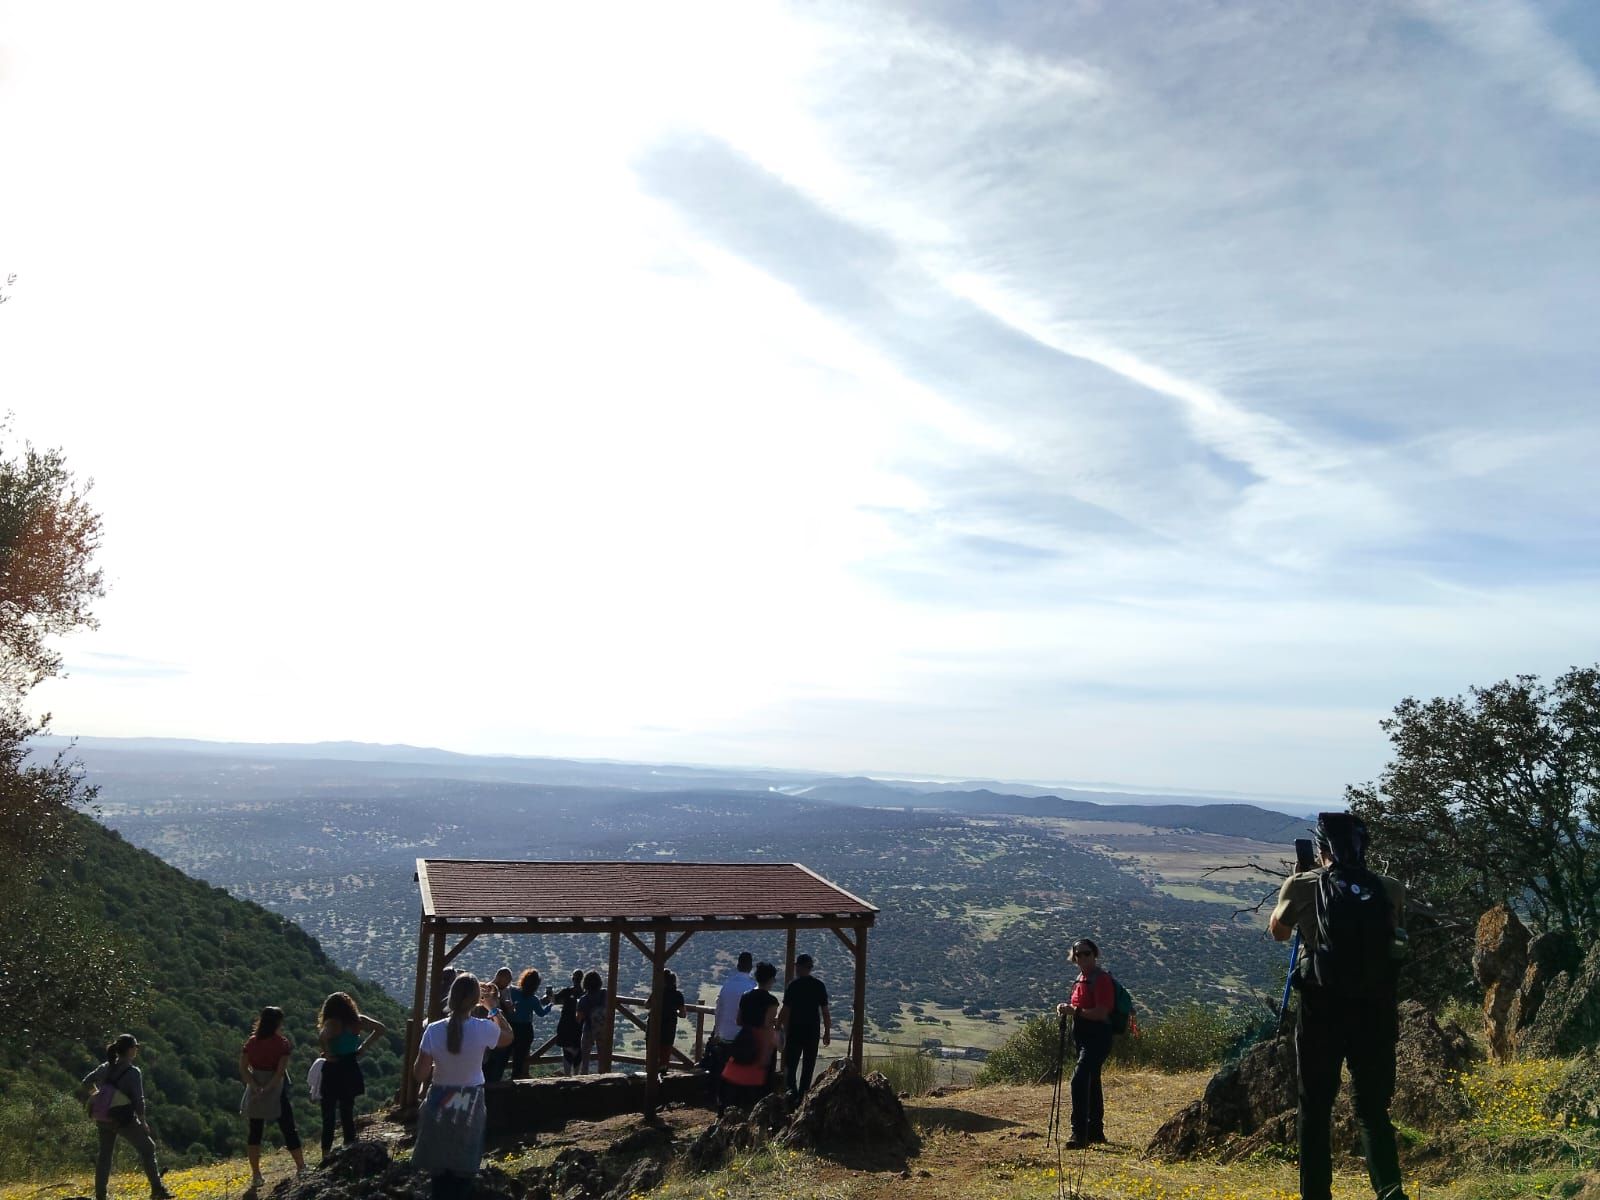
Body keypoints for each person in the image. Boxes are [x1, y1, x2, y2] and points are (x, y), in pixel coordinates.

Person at [1270, 812, 1409, 1200]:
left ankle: (1316, 1195)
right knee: (1372, 1110)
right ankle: (1390, 1191)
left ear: (1322, 849)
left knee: (1314, 1107)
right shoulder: (1390, 887)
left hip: (1321, 1010)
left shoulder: (1301, 885)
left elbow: (1279, 933)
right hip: (1375, 1010)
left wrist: (1298, 883)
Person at [412, 972, 514, 1200]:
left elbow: (419, 1074)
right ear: (476, 1000)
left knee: (439, 1168)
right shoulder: (482, 1028)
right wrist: (493, 1008)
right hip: (470, 1098)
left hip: (440, 1097)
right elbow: (508, 1037)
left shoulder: (433, 1030)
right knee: (463, 1164)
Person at [83, 1034, 173, 1200]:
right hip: (123, 1119)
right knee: (148, 1148)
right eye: (136, 1047)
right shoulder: (133, 1072)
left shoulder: (104, 1067)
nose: (137, 1050)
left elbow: (86, 1081)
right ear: (130, 1049)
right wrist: (143, 1122)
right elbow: (139, 1100)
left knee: (104, 1156)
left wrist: (98, 1096)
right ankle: (157, 1190)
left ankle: (101, 1196)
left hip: (103, 1117)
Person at [239, 1006, 307, 1186]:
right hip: (275, 1088)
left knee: (255, 1132)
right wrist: (268, 1088)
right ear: (278, 1023)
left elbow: (243, 1067)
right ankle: (301, 1168)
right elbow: (279, 1072)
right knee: (288, 1127)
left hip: (255, 1086)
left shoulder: (251, 1042)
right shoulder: (281, 1043)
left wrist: (255, 1086)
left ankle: (256, 1176)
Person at [1055, 938, 1113, 1149]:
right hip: (1083, 1037)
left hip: (1098, 1036)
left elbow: (1101, 1012)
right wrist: (1067, 1008)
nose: (1082, 958)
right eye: (1078, 954)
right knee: (1092, 1081)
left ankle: (1079, 1134)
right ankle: (1096, 1131)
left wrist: (1075, 1011)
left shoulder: (1101, 979)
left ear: (1094, 954)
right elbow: (1081, 1006)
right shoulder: (1081, 978)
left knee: (1079, 1081)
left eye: (1087, 953)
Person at [316, 991, 385, 1160]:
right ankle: (349, 1144)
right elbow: (381, 1028)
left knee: (329, 1112)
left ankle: (326, 1152)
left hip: (334, 1067)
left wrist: (328, 1052)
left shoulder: (333, 1023)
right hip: (351, 1065)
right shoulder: (357, 1021)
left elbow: (322, 1035)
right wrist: (363, 1047)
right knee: (347, 1109)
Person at [778, 954, 831, 1099]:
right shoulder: (819, 986)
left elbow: (785, 1009)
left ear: (799, 967)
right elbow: (825, 1012)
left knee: (791, 1066)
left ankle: (791, 1094)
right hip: (812, 1033)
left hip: (795, 1032)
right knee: (808, 1067)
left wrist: (777, 1026)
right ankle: (803, 1097)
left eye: (797, 966)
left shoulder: (793, 986)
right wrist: (827, 1032)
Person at [719, 987, 779, 1112]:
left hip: (737, 1063)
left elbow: (738, 1021)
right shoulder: (771, 1004)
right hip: (756, 1068)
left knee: (729, 1103)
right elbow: (768, 1025)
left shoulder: (746, 998)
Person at [506, 967, 552, 1079]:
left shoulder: (512, 991)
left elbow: (519, 1004)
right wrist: (550, 1004)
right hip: (525, 1030)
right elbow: (541, 1013)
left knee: (504, 1055)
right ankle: (516, 1081)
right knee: (520, 1059)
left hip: (511, 1027)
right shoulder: (534, 999)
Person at [650, 969, 687, 1081]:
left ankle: (651, 1077)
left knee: (653, 1052)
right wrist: (674, 1011)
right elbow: (683, 1014)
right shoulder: (678, 995)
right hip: (669, 1027)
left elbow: (647, 1005)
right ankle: (662, 1078)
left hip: (655, 1026)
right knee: (665, 1052)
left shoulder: (657, 992)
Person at [482, 968, 517, 1082]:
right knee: (490, 1064)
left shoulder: (506, 991)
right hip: (489, 1030)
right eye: (507, 980)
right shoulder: (487, 989)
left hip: (502, 1028)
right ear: (500, 977)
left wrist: (510, 1007)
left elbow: (511, 1010)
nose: (509, 983)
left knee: (500, 1063)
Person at [551, 969, 586, 1075]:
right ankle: (577, 1077)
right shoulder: (585, 994)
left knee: (567, 1052)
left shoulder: (567, 991)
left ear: (572, 978)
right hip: (580, 1026)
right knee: (579, 1052)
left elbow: (554, 1000)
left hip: (565, 1026)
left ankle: (567, 1077)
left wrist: (549, 995)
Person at [575, 971, 608, 1074]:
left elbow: (579, 1019)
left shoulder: (583, 1000)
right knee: (602, 1058)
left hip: (588, 1029)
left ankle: (584, 1081)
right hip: (603, 1028)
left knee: (585, 1059)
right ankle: (603, 1079)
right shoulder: (605, 994)